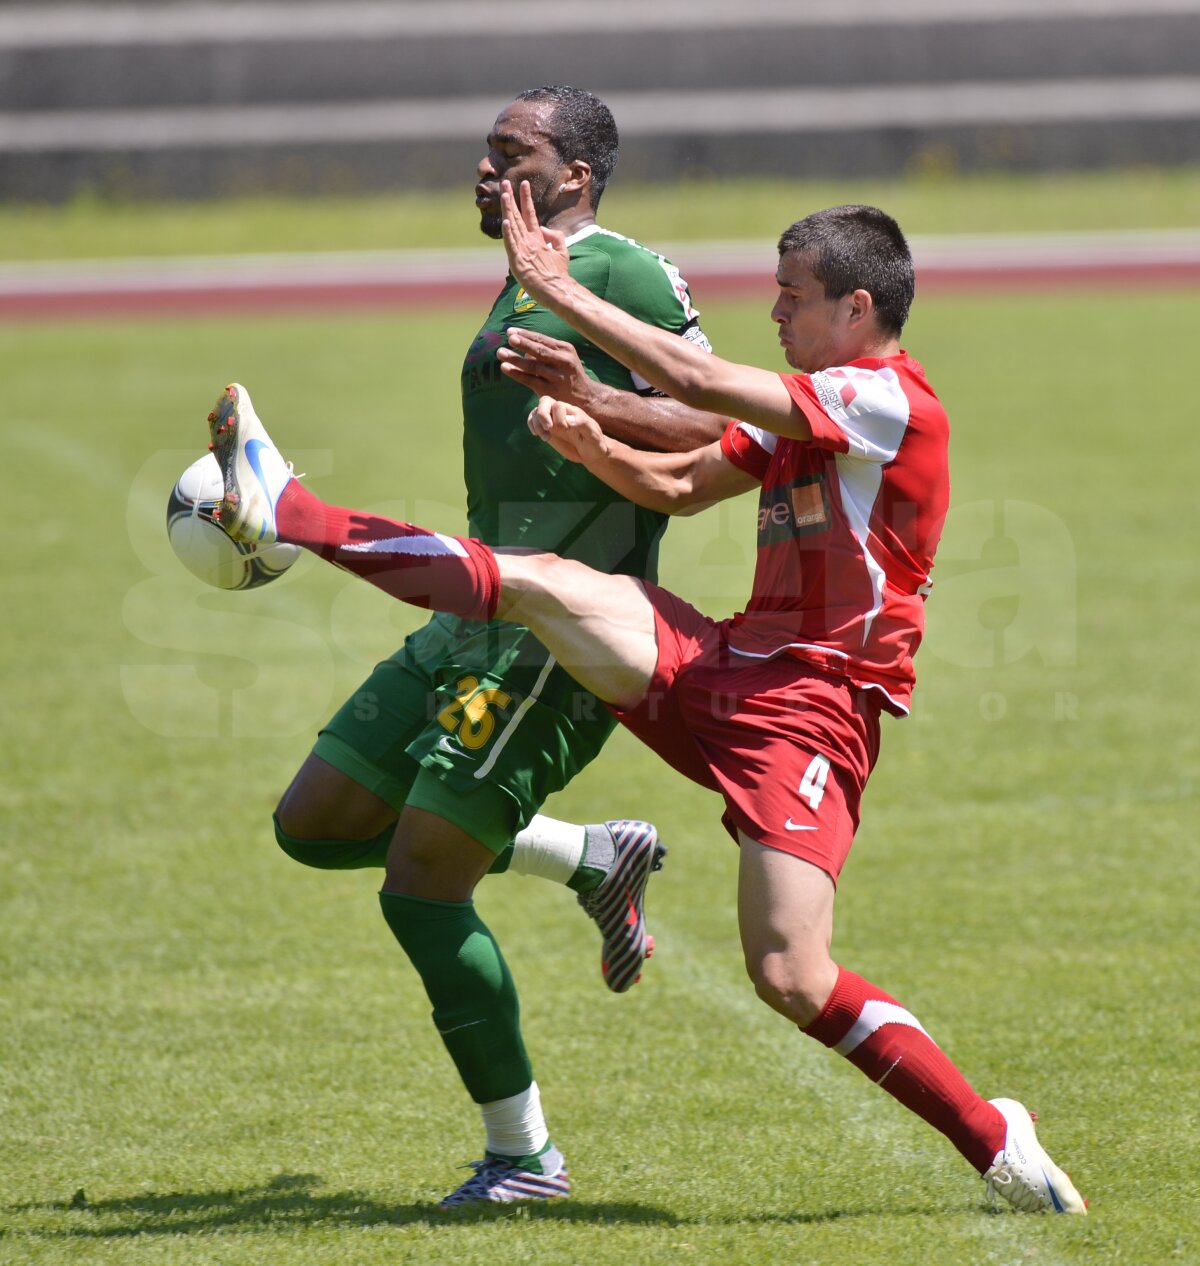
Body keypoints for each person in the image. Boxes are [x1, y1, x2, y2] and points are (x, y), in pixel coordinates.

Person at [202, 182, 1086, 1216]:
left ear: (855, 310)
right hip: (726, 666)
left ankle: (994, 1137)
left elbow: (693, 375)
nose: (775, 312)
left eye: (792, 296)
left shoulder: (886, 402)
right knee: (534, 581)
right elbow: (680, 482)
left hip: (813, 713)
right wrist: (597, 442)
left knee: (790, 974)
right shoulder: (816, 405)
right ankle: (293, 509)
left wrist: (556, 293)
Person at [257, 87, 727, 1207]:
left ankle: (525, 1160)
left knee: (420, 886)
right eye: (485, 149)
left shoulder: (620, 273)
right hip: (473, 614)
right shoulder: (528, 272)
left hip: (557, 635)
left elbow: (724, 424)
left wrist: (600, 412)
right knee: (316, 827)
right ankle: (589, 857)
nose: (482, 166)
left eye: (510, 153)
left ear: (577, 174)